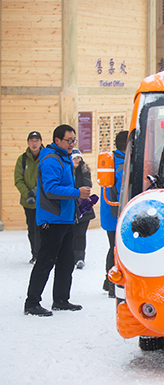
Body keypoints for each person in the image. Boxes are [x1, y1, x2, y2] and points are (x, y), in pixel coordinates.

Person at [24, 124, 91, 316]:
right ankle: (31, 303)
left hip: (65, 219)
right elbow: (51, 189)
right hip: (52, 220)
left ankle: (61, 300)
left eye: (74, 140)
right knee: (45, 261)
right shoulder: (51, 160)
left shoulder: (64, 158)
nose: (72, 144)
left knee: (66, 261)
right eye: (68, 140)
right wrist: (76, 192)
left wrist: (78, 198)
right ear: (57, 141)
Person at [101, 130, 127, 298]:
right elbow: (121, 192)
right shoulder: (121, 164)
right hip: (116, 213)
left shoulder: (111, 160)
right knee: (116, 249)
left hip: (109, 213)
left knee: (113, 247)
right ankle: (112, 283)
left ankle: (107, 281)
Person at [14, 131, 43, 265]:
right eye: (32, 140)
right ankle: (35, 254)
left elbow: (47, 178)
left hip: (43, 201)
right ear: (28, 142)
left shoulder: (45, 157)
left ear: (40, 142)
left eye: (37, 140)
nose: (34, 143)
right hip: (28, 202)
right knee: (32, 229)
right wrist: (28, 194)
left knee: (44, 228)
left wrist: (35, 192)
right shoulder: (22, 159)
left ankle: (44, 254)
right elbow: (18, 180)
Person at [71, 149, 95, 269]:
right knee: (71, 234)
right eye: (74, 158)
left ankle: (80, 258)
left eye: (78, 158)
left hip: (83, 207)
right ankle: (71, 256)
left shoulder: (84, 170)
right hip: (71, 207)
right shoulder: (66, 171)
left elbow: (88, 185)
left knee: (81, 234)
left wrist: (85, 172)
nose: (77, 161)